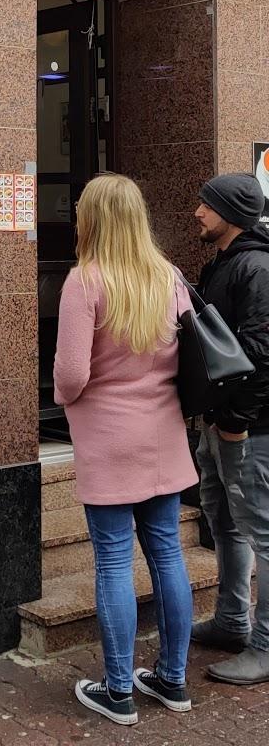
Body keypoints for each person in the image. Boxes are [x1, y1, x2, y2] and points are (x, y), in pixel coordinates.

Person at [54, 174, 196, 725]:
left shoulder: (84, 280)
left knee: (113, 558)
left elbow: (69, 376)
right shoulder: (169, 277)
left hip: (109, 442)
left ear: (90, 221)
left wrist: (72, 401)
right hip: (162, 437)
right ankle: (173, 679)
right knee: (167, 554)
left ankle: (118, 691)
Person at [189, 173, 269, 685]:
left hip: (251, 431)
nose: (198, 212)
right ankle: (232, 620)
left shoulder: (257, 268)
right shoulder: (223, 262)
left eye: (207, 204)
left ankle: (265, 645)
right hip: (222, 425)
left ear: (232, 214)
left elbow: (262, 355)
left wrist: (237, 422)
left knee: (262, 532)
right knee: (225, 522)